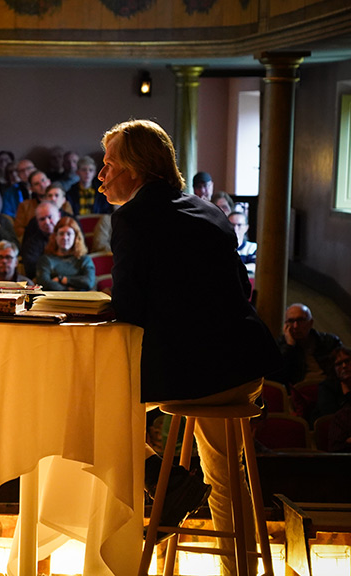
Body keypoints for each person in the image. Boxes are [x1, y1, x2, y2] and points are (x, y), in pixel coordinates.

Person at [101, 119, 281, 573]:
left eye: (109, 164)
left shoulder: (132, 217)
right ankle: (239, 569)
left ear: (136, 170)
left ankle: (163, 482)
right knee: (224, 475)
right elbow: (241, 287)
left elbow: (128, 309)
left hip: (190, 375)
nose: (101, 175)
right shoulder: (210, 211)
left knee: (88, 409)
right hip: (242, 368)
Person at [275, 303, 343, 390]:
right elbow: (277, 377)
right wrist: (289, 346)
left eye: (300, 320)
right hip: (298, 392)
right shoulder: (281, 345)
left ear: (310, 323)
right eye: (291, 321)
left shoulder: (329, 342)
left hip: (329, 389)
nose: (295, 326)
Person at [35, 217, 95, 291]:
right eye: (61, 234)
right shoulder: (46, 260)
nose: (65, 237)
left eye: (69, 234)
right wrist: (68, 289)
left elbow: (88, 282)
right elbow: (44, 284)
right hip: (54, 300)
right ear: (55, 237)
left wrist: (62, 279)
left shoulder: (85, 259)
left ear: (76, 237)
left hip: (82, 300)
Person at [19, 201, 60, 279]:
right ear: (37, 222)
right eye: (42, 219)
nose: (47, 222)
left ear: (59, 215)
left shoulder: (69, 236)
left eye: (50, 217)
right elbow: (31, 270)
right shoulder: (31, 243)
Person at [311, 346, 351, 425]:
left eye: (347, 361)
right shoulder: (326, 387)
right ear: (333, 368)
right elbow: (330, 415)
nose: (344, 366)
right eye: (339, 364)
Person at [229, 211, 257, 276]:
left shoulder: (252, 248)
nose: (235, 229)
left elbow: (256, 266)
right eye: (232, 225)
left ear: (246, 228)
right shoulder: (219, 247)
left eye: (239, 225)